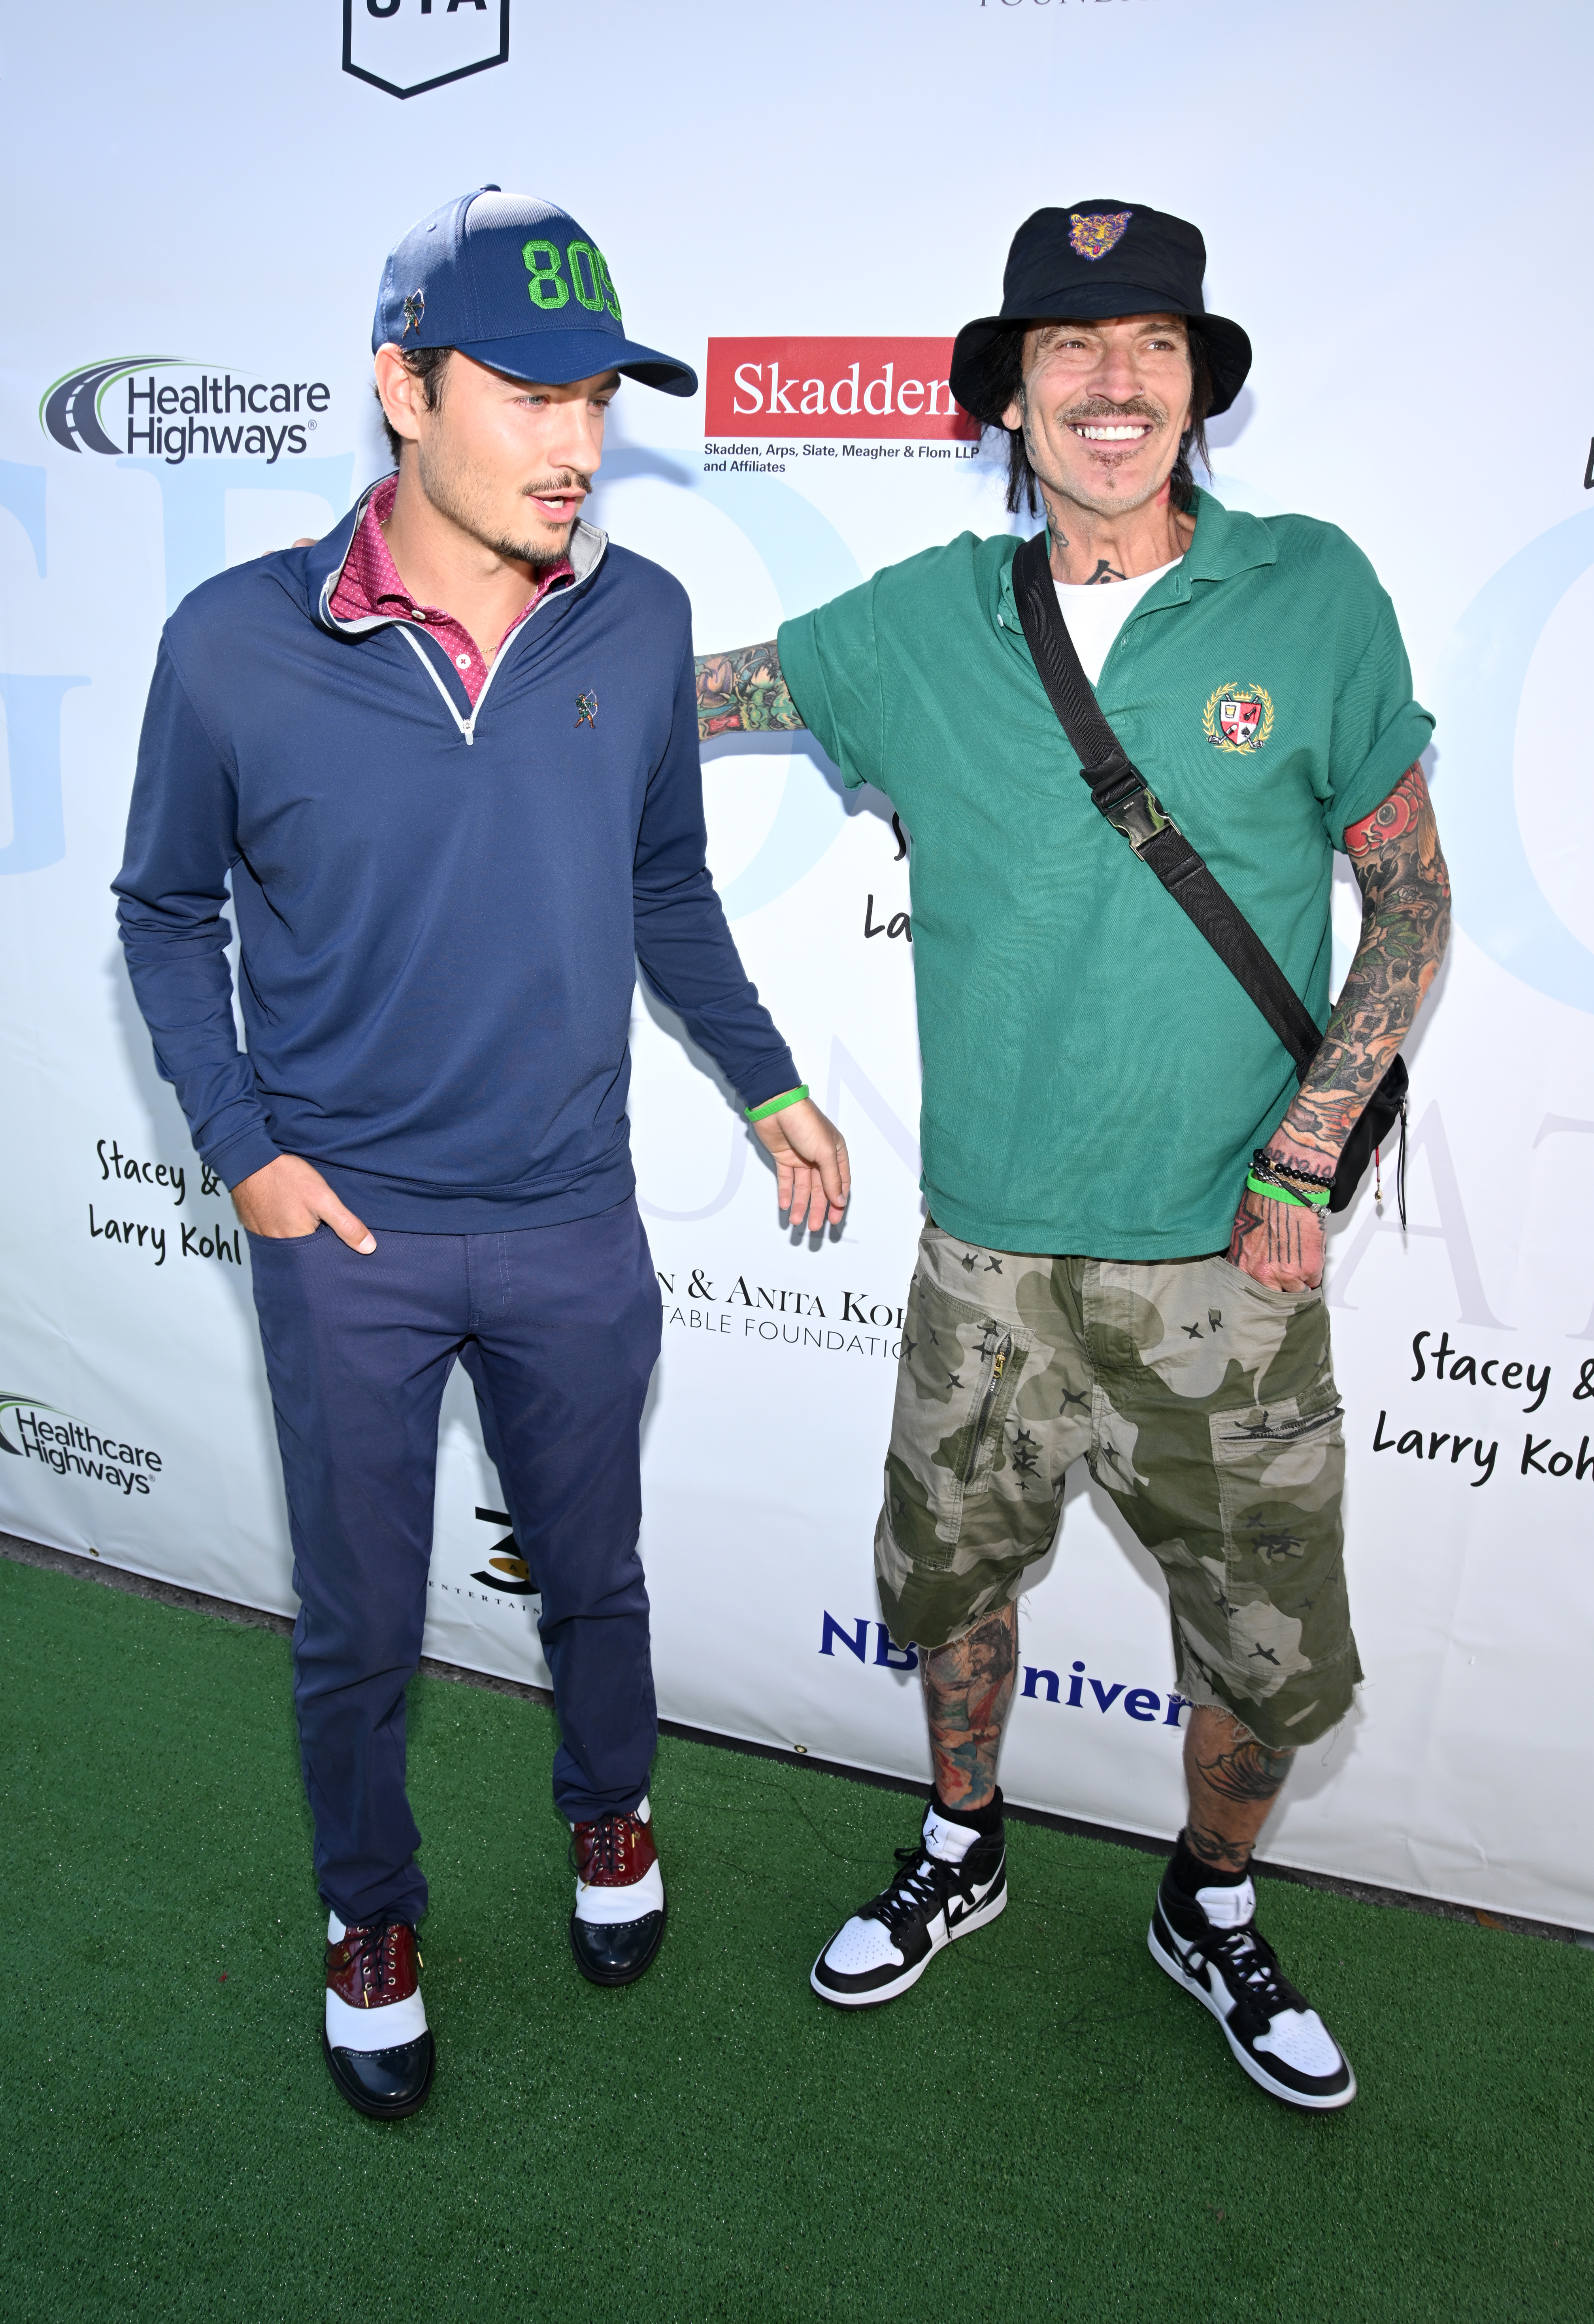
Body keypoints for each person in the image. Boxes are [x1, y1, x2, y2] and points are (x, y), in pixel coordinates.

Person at [694, 200, 1449, 2110]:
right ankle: (964, 1842)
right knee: (950, 1594)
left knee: (1268, 1666)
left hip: (1229, 1269)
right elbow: (698, 696)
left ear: (1195, 386)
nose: (1114, 384)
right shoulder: (922, 626)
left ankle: (1209, 1900)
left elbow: (1412, 902)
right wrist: (493, 625)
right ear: (1010, 396)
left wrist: (1302, 1154)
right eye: (1069, 349)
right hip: (984, 1262)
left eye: (1152, 347)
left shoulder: (1313, 591)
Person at [114, 187, 848, 2120]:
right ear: (402, 388)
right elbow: (161, 912)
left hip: (568, 1224)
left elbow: (666, 885)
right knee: (359, 1620)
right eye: (528, 390)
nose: (577, 438)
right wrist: (245, 1150)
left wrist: (768, 1083)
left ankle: (610, 1810)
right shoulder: (233, 645)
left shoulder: (643, 616)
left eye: (597, 392)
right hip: (344, 1230)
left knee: (591, 1573)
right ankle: (371, 1913)